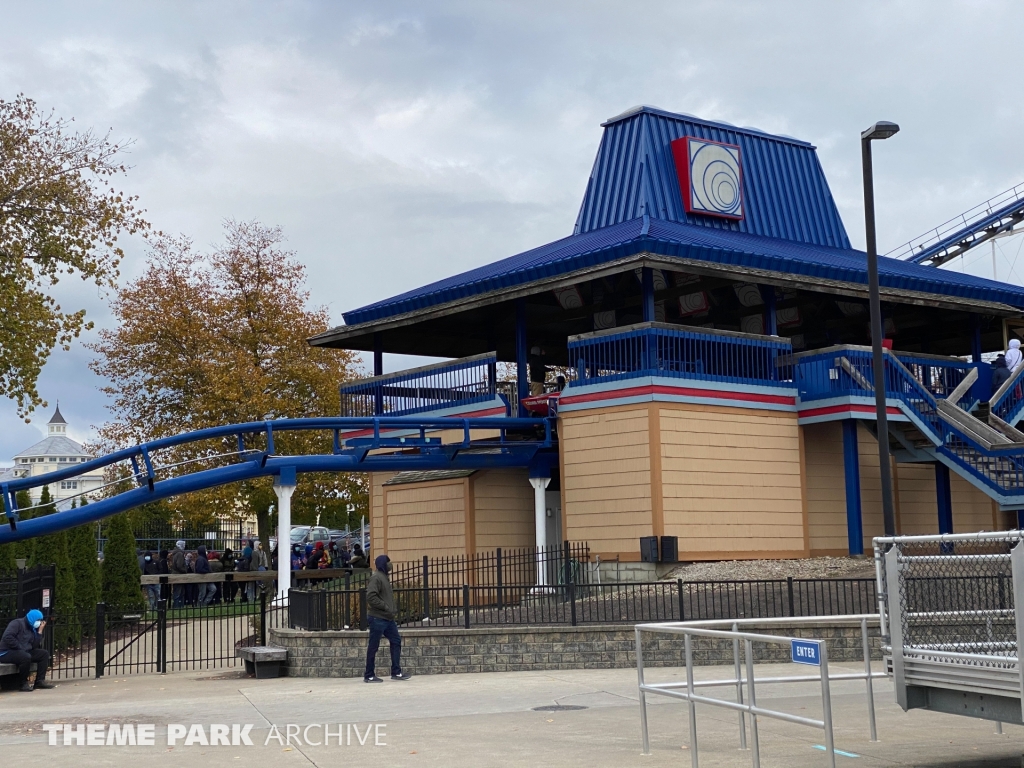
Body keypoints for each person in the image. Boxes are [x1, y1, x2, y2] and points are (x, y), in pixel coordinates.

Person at [363, 555, 411, 683]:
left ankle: (396, 671)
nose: (390, 565)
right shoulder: (376, 577)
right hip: (378, 618)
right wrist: (385, 606)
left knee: (396, 641)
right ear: (383, 564)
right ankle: (369, 675)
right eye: (388, 562)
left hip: (388, 618)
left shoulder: (384, 577)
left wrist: (390, 609)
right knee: (373, 646)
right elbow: (371, 596)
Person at [0, 609, 55, 692]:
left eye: (41, 620)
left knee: (44, 654)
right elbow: (8, 637)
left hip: (23, 651)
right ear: (32, 618)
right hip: (6, 652)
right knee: (25, 657)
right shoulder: (17, 623)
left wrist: (39, 632)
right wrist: (21, 648)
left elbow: (34, 646)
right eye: (38, 620)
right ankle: (23, 683)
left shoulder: (32, 628)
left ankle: (39, 681)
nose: (39, 622)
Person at [169, 540, 188, 607]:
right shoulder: (180, 554)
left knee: (180, 592)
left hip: (176, 574)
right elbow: (179, 565)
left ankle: (179, 606)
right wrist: (185, 570)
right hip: (179, 575)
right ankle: (177, 606)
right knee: (178, 592)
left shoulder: (176, 553)